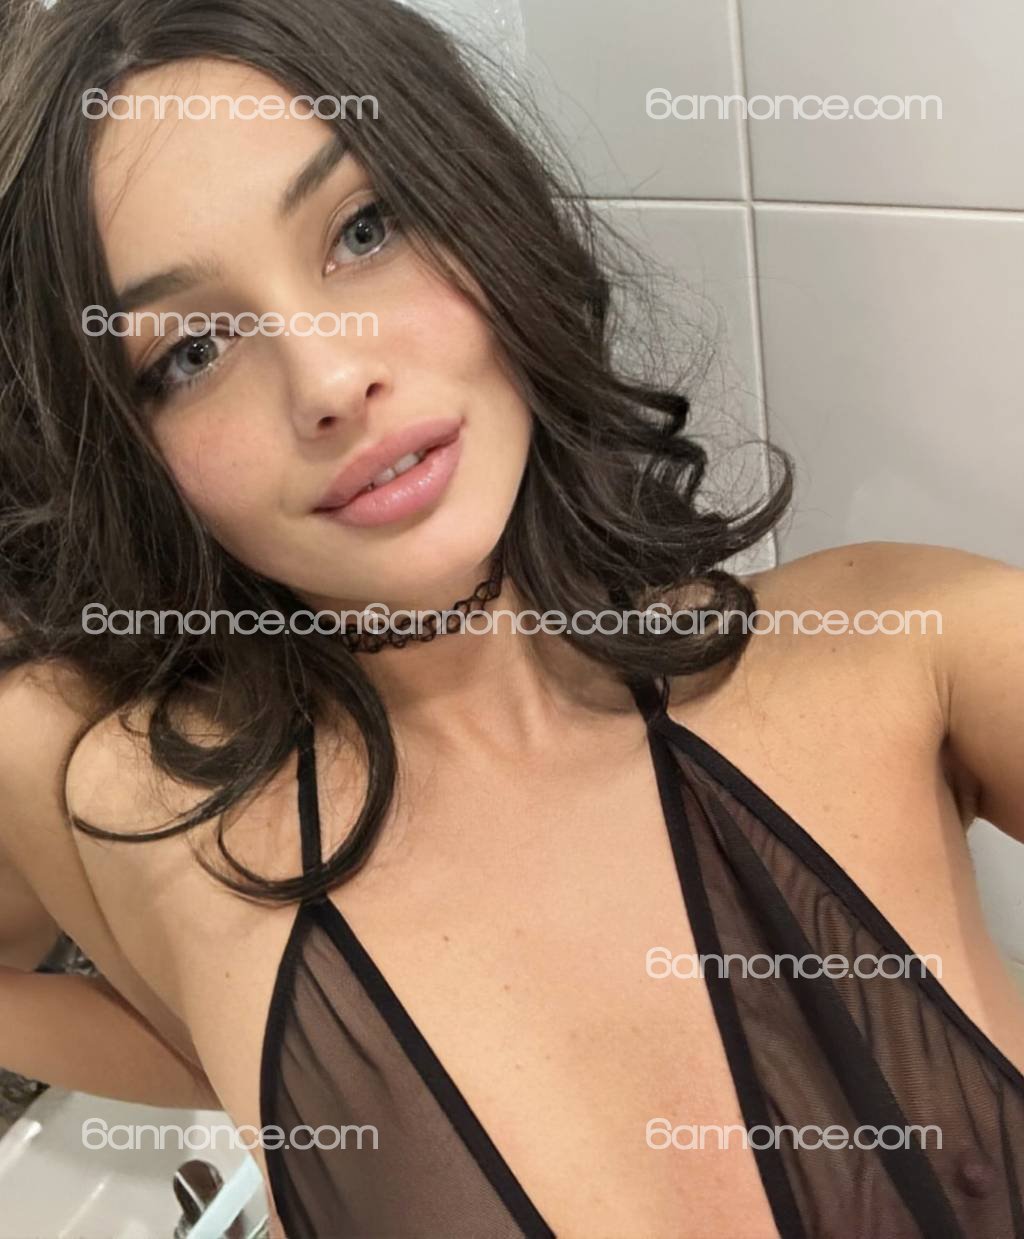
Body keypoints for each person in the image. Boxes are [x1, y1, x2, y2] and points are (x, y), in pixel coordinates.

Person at [1, 1, 1022, 1236]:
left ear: (479, 208)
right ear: (128, 446)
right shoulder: (119, 808)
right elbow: (197, 1042)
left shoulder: (916, 649)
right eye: (191, 351)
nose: (330, 380)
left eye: (365, 229)